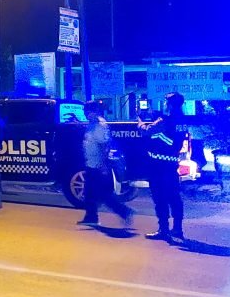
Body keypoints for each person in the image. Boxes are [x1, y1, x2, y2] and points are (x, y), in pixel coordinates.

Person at [78, 101, 133, 227]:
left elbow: (104, 146)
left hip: (98, 165)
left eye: (88, 111)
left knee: (102, 194)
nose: (86, 114)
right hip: (91, 163)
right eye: (85, 112)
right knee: (89, 192)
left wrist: (103, 164)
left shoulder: (99, 125)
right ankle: (91, 217)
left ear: (95, 111)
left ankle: (124, 211)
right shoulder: (92, 124)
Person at [143, 92, 186, 243]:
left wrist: (140, 122)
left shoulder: (165, 120)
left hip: (159, 165)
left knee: (160, 198)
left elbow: (147, 131)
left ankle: (164, 230)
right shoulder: (182, 120)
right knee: (174, 197)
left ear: (171, 104)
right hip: (172, 163)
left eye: (167, 102)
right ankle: (177, 229)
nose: (165, 105)